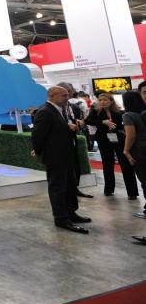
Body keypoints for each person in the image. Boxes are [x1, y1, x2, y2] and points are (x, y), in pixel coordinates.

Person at [31, 86, 91, 234]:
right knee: (58, 188)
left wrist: (68, 127)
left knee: (70, 186)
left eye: (67, 95)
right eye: (64, 95)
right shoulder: (45, 112)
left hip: (66, 155)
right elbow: (37, 136)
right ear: (52, 96)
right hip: (55, 158)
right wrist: (39, 152)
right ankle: (61, 218)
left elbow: (56, 130)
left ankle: (71, 213)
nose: (67, 98)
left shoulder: (60, 110)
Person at [85, 93, 139, 198]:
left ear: (111, 101)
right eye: (100, 100)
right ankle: (109, 189)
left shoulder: (119, 112)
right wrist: (102, 122)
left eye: (105, 100)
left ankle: (132, 193)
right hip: (103, 140)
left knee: (125, 164)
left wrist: (122, 130)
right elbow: (88, 121)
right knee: (107, 164)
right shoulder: (95, 112)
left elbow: (124, 124)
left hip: (119, 139)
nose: (102, 102)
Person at [58, 82, 92, 198]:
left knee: (75, 165)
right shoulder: (53, 108)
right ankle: (67, 191)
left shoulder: (72, 106)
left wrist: (77, 123)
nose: (68, 95)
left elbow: (74, 119)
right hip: (61, 143)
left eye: (69, 92)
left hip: (72, 139)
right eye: (65, 93)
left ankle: (74, 188)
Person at [122, 91, 146, 217]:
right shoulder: (143, 113)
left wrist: (126, 150)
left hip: (138, 150)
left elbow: (131, 136)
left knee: (144, 180)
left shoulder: (128, 115)